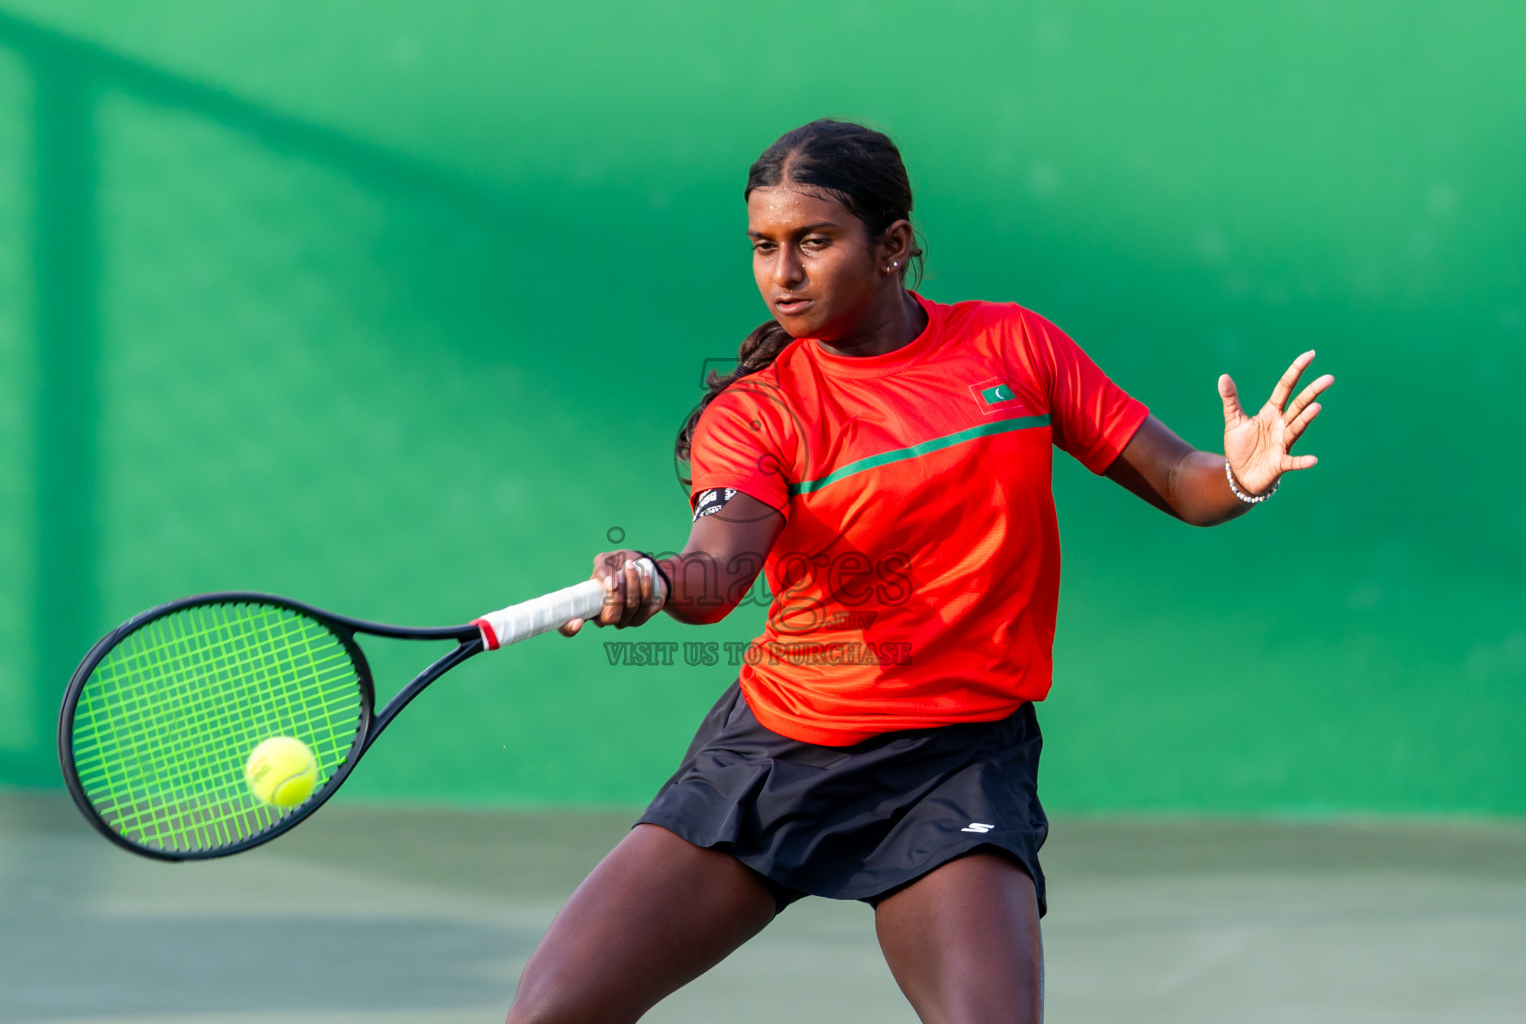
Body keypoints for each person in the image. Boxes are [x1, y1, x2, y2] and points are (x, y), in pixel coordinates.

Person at [504, 119, 1332, 1024]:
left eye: (814, 243)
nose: (783, 275)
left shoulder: (1014, 349)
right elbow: (717, 573)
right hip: (781, 748)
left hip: (957, 762)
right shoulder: (759, 414)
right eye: (764, 247)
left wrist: (1242, 478)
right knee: (553, 1011)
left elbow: (1182, 481)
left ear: (892, 245)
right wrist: (656, 580)